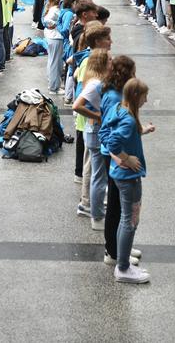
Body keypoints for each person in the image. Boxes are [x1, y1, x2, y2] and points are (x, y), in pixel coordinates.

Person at [103, 78, 154, 284]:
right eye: (144, 97)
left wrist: (141, 131)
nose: (146, 101)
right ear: (135, 96)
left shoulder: (119, 108)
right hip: (128, 177)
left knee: (127, 219)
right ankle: (123, 267)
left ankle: (123, 262)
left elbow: (106, 132)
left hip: (120, 174)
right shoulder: (128, 119)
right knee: (130, 220)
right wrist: (126, 158)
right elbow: (114, 141)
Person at [73, 49, 111, 231]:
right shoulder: (95, 83)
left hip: (94, 129)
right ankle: (95, 213)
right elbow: (77, 105)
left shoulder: (95, 81)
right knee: (98, 175)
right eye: (109, 60)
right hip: (95, 130)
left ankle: (92, 207)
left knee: (97, 173)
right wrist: (97, 115)